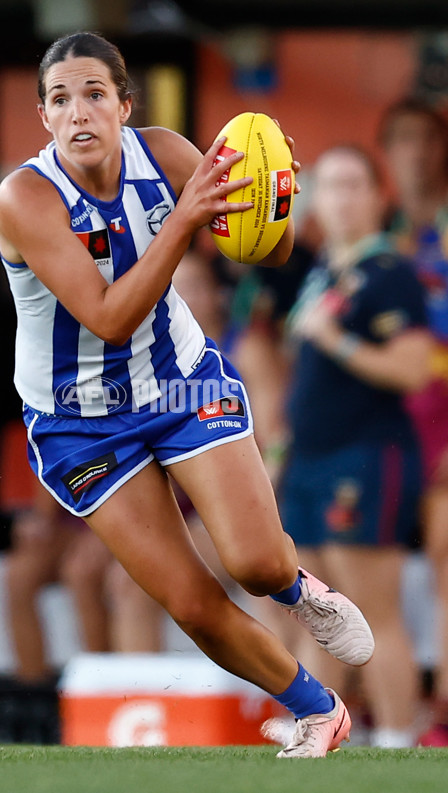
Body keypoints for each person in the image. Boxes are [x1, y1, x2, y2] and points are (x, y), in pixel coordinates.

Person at [0, 31, 375, 758]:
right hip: (82, 422)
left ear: (125, 106)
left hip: (179, 379)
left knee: (256, 565)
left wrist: (272, 196)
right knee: (193, 604)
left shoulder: (165, 154)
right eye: (61, 98)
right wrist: (190, 216)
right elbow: (107, 315)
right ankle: (320, 709)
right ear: (43, 116)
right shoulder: (25, 198)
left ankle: (300, 590)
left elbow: (268, 249)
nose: (79, 112)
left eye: (95, 95)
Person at [274, 145, 433, 747]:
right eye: (328, 186)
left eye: (351, 185)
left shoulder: (389, 272)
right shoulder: (322, 274)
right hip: (310, 460)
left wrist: (335, 339)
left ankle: (396, 740)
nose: (337, 198)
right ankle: (321, 736)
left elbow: (413, 369)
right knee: (317, 616)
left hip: (367, 455)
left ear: (376, 197)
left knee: (372, 609)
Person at [379, 97, 448, 746]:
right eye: (404, 140)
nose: (418, 152)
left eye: (429, 140)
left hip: (444, 417)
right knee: (356, 564)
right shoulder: (373, 232)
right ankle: (377, 700)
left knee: (447, 550)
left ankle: (444, 711)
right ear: (388, 153)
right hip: (382, 423)